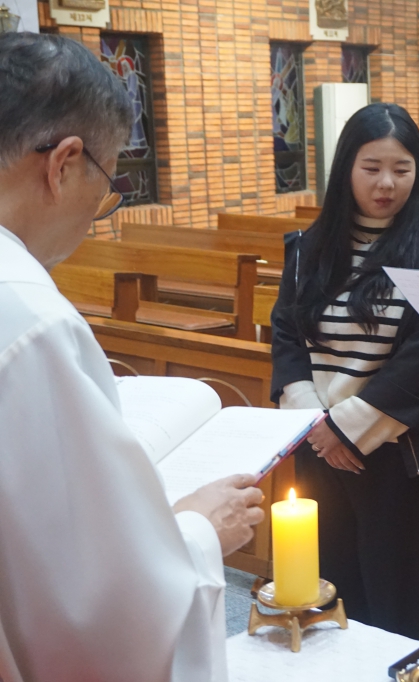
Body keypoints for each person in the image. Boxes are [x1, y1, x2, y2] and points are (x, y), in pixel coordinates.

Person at [0, 33, 265, 682]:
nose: (99, 212)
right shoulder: (31, 323)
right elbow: (98, 626)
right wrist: (198, 532)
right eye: (108, 181)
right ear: (64, 164)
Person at [270, 103, 419, 642]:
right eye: (372, 168)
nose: (386, 183)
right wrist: (316, 426)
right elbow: (287, 335)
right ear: (346, 168)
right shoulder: (309, 249)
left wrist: (345, 430)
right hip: (319, 449)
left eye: (401, 169)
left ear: (418, 173)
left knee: (401, 612)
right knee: (331, 600)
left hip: (401, 460)